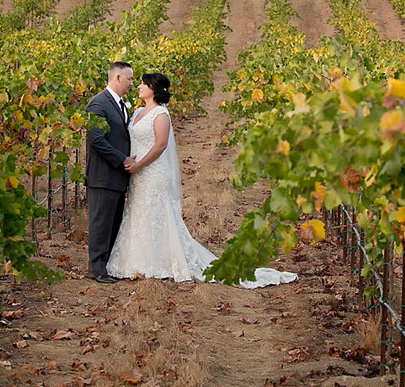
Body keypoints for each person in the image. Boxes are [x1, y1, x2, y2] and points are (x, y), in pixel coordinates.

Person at [107, 72, 297, 288]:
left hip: (153, 172)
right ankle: (138, 262)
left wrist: (139, 165)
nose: (139, 86)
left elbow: (160, 146)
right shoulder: (137, 112)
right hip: (137, 175)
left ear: (153, 89)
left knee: (155, 214)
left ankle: (159, 263)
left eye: (143, 83)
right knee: (138, 213)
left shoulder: (161, 114)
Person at [84, 61, 135, 284]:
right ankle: (96, 269)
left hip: (117, 176)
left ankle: (107, 266)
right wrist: (121, 159)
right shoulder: (98, 103)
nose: (131, 84)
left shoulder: (121, 105)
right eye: (129, 79)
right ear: (117, 78)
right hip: (103, 175)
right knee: (101, 224)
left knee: (113, 223)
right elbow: (96, 139)